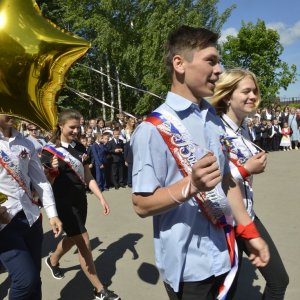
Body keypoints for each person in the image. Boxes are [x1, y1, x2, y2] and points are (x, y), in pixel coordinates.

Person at [131, 25, 269, 300]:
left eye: (218, 61)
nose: (219, 69)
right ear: (179, 64)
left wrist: (248, 231)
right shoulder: (152, 129)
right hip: (189, 269)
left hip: (225, 253)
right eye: (211, 61)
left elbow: (226, 182)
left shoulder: (212, 119)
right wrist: (190, 186)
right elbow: (141, 204)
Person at [210, 68, 289, 300]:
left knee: (279, 281)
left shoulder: (243, 127)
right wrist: (246, 169)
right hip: (224, 222)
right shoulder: (214, 130)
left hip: (247, 214)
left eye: (255, 91)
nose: (253, 96)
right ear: (227, 96)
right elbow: (212, 180)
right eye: (246, 91)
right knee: (225, 293)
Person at [41, 109, 120, 300]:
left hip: (79, 200)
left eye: (78, 127)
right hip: (63, 204)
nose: (76, 131)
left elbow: (88, 176)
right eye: (72, 127)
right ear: (61, 126)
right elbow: (44, 185)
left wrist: (101, 197)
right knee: (84, 242)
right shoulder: (48, 151)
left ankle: (53, 260)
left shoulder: (80, 148)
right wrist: (51, 171)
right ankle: (99, 289)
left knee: (72, 238)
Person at [0, 115, 62, 300]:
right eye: (4, 108)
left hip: (31, 218)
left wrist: (52, 213)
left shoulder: (26, 142)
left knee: (35, 280)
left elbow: (40, 181)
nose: (10, 113)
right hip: (4, 224)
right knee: (25, 280)